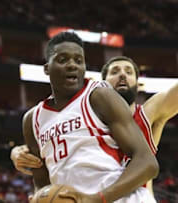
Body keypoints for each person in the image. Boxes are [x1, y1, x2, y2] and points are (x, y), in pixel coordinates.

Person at [11, 0, 178, 196]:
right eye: (114, 71)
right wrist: (18, 152)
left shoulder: (147, 113)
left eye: (128, 71)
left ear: (138, 82)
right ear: (101, 80)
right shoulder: (81, 106)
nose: (122, 75)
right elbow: (54, 146)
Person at [22, 32, 158, 203]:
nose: (72, 65)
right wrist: (39, 197)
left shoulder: (99, 96)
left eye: (79, 61)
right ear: (47, 68)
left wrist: (98, 199)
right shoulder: (32, 120)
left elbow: (148, 163)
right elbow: (42, 183)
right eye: (63, 59)